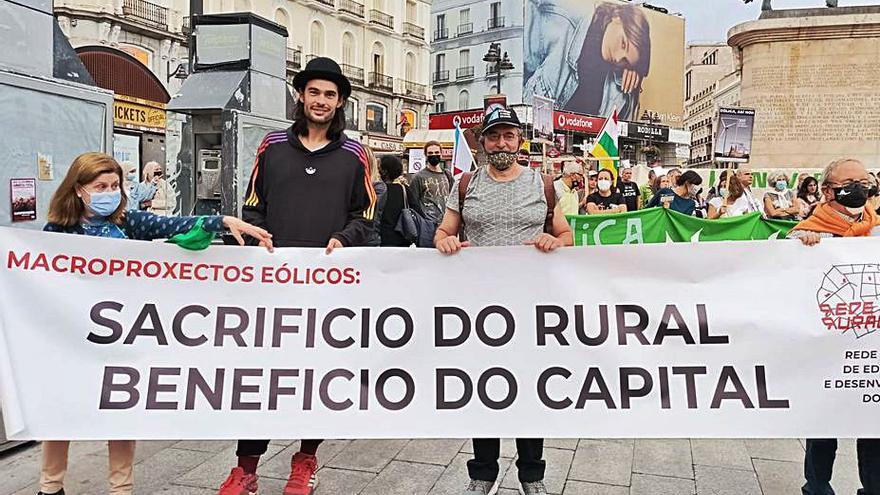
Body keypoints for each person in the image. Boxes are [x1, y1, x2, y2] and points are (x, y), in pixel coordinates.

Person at [39, 152, 271, 495]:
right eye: (100, 186)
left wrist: (221, 222)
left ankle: (122, 488)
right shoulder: (56, 232)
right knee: (60, 412)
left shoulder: (129, 224)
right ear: (78, 190)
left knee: (119, 413)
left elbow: (175, 224)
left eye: (115, 185)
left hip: (120, 339)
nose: (109, 191)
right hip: (72, 339)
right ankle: (50, 486)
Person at [223, 56, 377, 495]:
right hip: (273, 286)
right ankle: (245, 468)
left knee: (317, 375)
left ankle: (305, 460)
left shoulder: (355, 153)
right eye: (314, 92)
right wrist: (257, 243)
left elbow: (365, 214)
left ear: (340, 101)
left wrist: (345, 239)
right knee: (263, 375)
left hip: (329, 288)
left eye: (330, 94)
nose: (322, 101)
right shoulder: (271, 145)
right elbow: (253, 206)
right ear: (301, 95)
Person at [433, 105, 572, 495]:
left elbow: (566, 234)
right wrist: (443, 239)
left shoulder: (542, 184)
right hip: (479, 311)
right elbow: (445, 229)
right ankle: (482, 473)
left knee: (529, 390)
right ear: (483, 142)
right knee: (485, 388)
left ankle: (532, 475)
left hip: (530, 310)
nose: (501, 143)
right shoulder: (465, 184)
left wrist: (553, 239)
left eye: (509, 135)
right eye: (494, 136)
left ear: (519, 140)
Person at [788, 159, 880, 495]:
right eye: (849, 181)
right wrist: (798, 247)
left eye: (863, 180)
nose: (858, 187)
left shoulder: (877, 228)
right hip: (825, 350)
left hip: (870, 354)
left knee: (874, 427)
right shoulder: (809, 232)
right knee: (823, 426)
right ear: (828, 190)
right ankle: (816, 486)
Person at [524, 1, 651, 121]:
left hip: (582, 141)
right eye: (623, 44)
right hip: (537, 137)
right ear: (617, 17)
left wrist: (636, 75)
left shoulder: (622, 84)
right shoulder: (562, 21)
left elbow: (620, 135)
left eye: (625, 61)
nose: (618, 58)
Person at [789, 158, 880, 245]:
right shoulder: (807, 232)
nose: (858, 188)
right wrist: (801, 245)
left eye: (863, 183)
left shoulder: (876, 225)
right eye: (847, 183)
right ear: (827, 191)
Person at [377, 154, 424, 246]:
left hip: (382, 238)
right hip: (403, 236)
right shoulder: (404, 189)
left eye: (380, 168)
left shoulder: (378, 190)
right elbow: (417, 211)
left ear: (385, 171)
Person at [410, 140, 454, 223]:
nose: (434, 155)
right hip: (428, 224)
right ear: (426, 155)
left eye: (436, 152)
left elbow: (453, 198)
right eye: (430, 153)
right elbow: (413, 202)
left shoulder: (447, 175)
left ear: (441, 154)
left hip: (447, 223)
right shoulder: (418, 177)